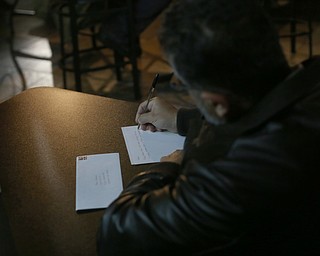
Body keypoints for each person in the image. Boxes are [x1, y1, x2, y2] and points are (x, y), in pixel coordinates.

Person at [97, 0, 320, 255]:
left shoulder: (233, 175)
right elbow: (257, 110)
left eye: (183, 85)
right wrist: (181, 119)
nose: (184, 89)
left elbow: (117, 232)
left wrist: (168, 167)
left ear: (217, 103)